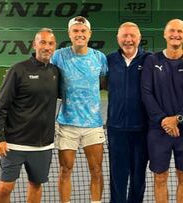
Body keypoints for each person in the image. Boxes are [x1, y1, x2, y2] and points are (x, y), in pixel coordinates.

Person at [0, 28, 59, 203]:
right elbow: (1, 107)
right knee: (6, 187)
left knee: (36, 185)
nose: (46, 47)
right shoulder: (18, 70)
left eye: (50, 43)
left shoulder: (55, 72)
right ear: (34, 44)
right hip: (14, 143)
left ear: (55, 47)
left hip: (43, 145)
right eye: (42, 42)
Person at [141, 19, 183, 203]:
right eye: (172, 31)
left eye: (180, 31)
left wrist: (178, 118)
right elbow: (146, 93)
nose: (175, 34)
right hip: (158, 131)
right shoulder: (152, 61)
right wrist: (164, 120)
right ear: (165, 34)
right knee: (160, 178)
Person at [51, 16, 108, 203]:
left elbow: (103, 81)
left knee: (97, 171)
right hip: (67, 125)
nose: (80, 34)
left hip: (93, 125)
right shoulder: (58, 56)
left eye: (83, 31)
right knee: (65, 171)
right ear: (69, 33)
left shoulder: (99, 58)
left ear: (89, 34)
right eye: (76, 31)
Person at [106, 22, 150, 203]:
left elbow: (173, 60)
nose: (128, 40)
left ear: (139, 38)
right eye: (124, 36)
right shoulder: (108, 60)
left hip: (142, 129)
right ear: (118, 38)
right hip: (116, 130)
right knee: (118, 177)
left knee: (138, 177)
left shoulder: (150, 60)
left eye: (132, 36)